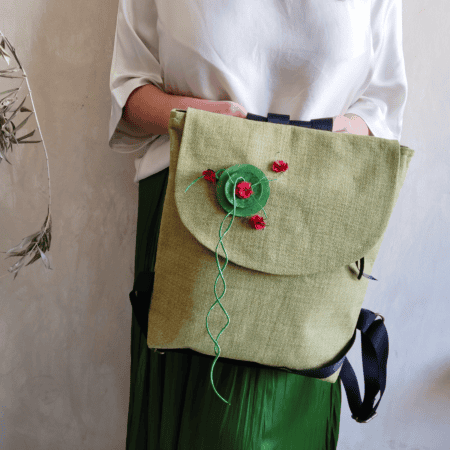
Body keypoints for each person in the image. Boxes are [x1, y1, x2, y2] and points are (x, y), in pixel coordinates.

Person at [108, 1, 407, 448]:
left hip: (316, 229)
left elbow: (383, 107)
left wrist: (329, 136)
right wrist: (217, 124)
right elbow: (129, 95)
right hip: (190, 214)